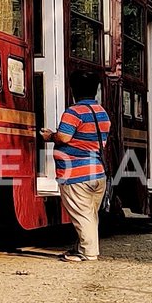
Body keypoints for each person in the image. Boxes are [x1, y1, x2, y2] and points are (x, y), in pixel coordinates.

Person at [39, 70, 111, 261]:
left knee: (83, 215)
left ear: (73, 90)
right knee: (90, 215)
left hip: (76, 174)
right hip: (97, 173)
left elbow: (64, 137)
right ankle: (82, 247)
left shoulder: (74, 112)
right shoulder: (102, 113)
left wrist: (50, 136)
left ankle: (88, 253)